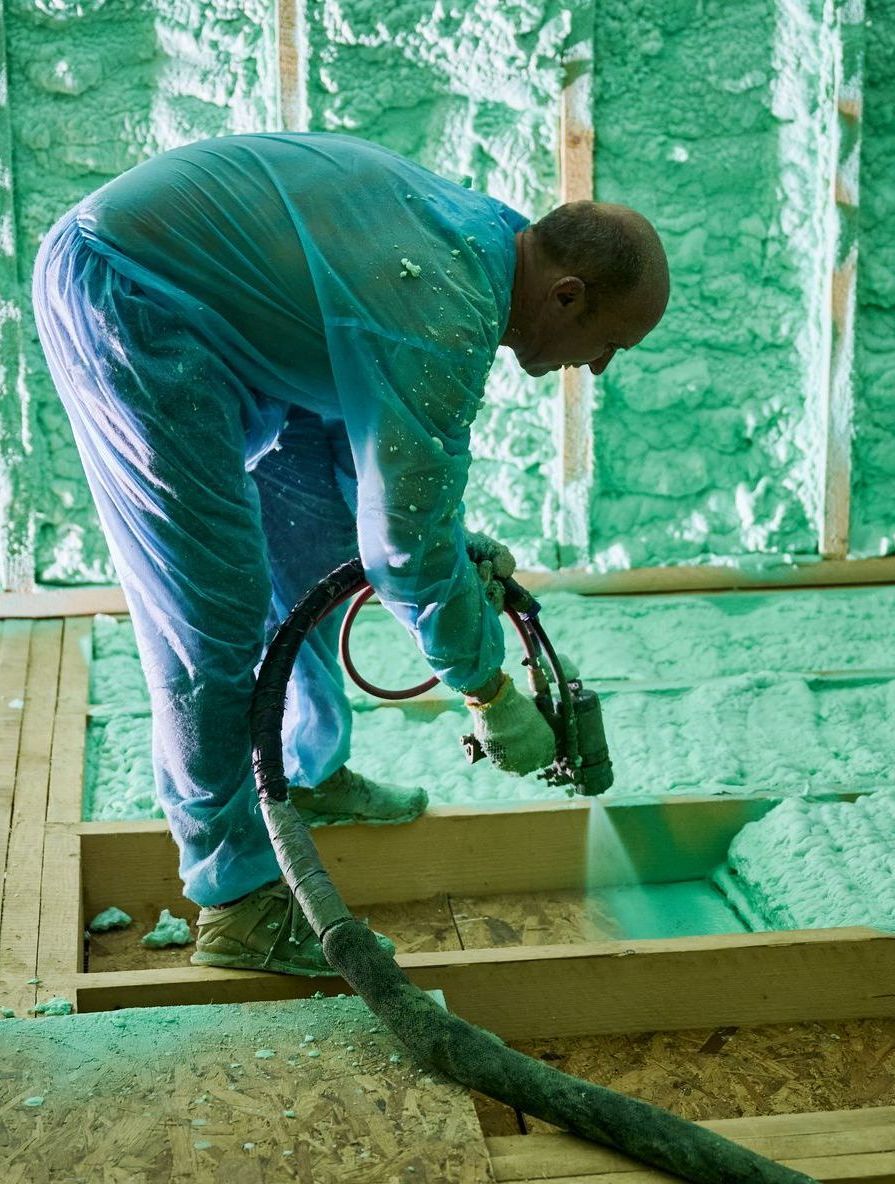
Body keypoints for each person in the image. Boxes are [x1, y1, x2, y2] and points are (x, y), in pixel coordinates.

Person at [33, 132, 668, 976]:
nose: (598, 368)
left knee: (314, 556)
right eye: (609, 343)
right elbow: (405, 544)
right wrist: (487, 690)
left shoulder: (488, 246)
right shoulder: (446, 304)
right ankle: (234, 904)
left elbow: (382, 487)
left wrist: (444, 545)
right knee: (210, 614)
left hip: (207, 305)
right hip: (130, 294)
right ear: (566, 294)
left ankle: (303, 772)